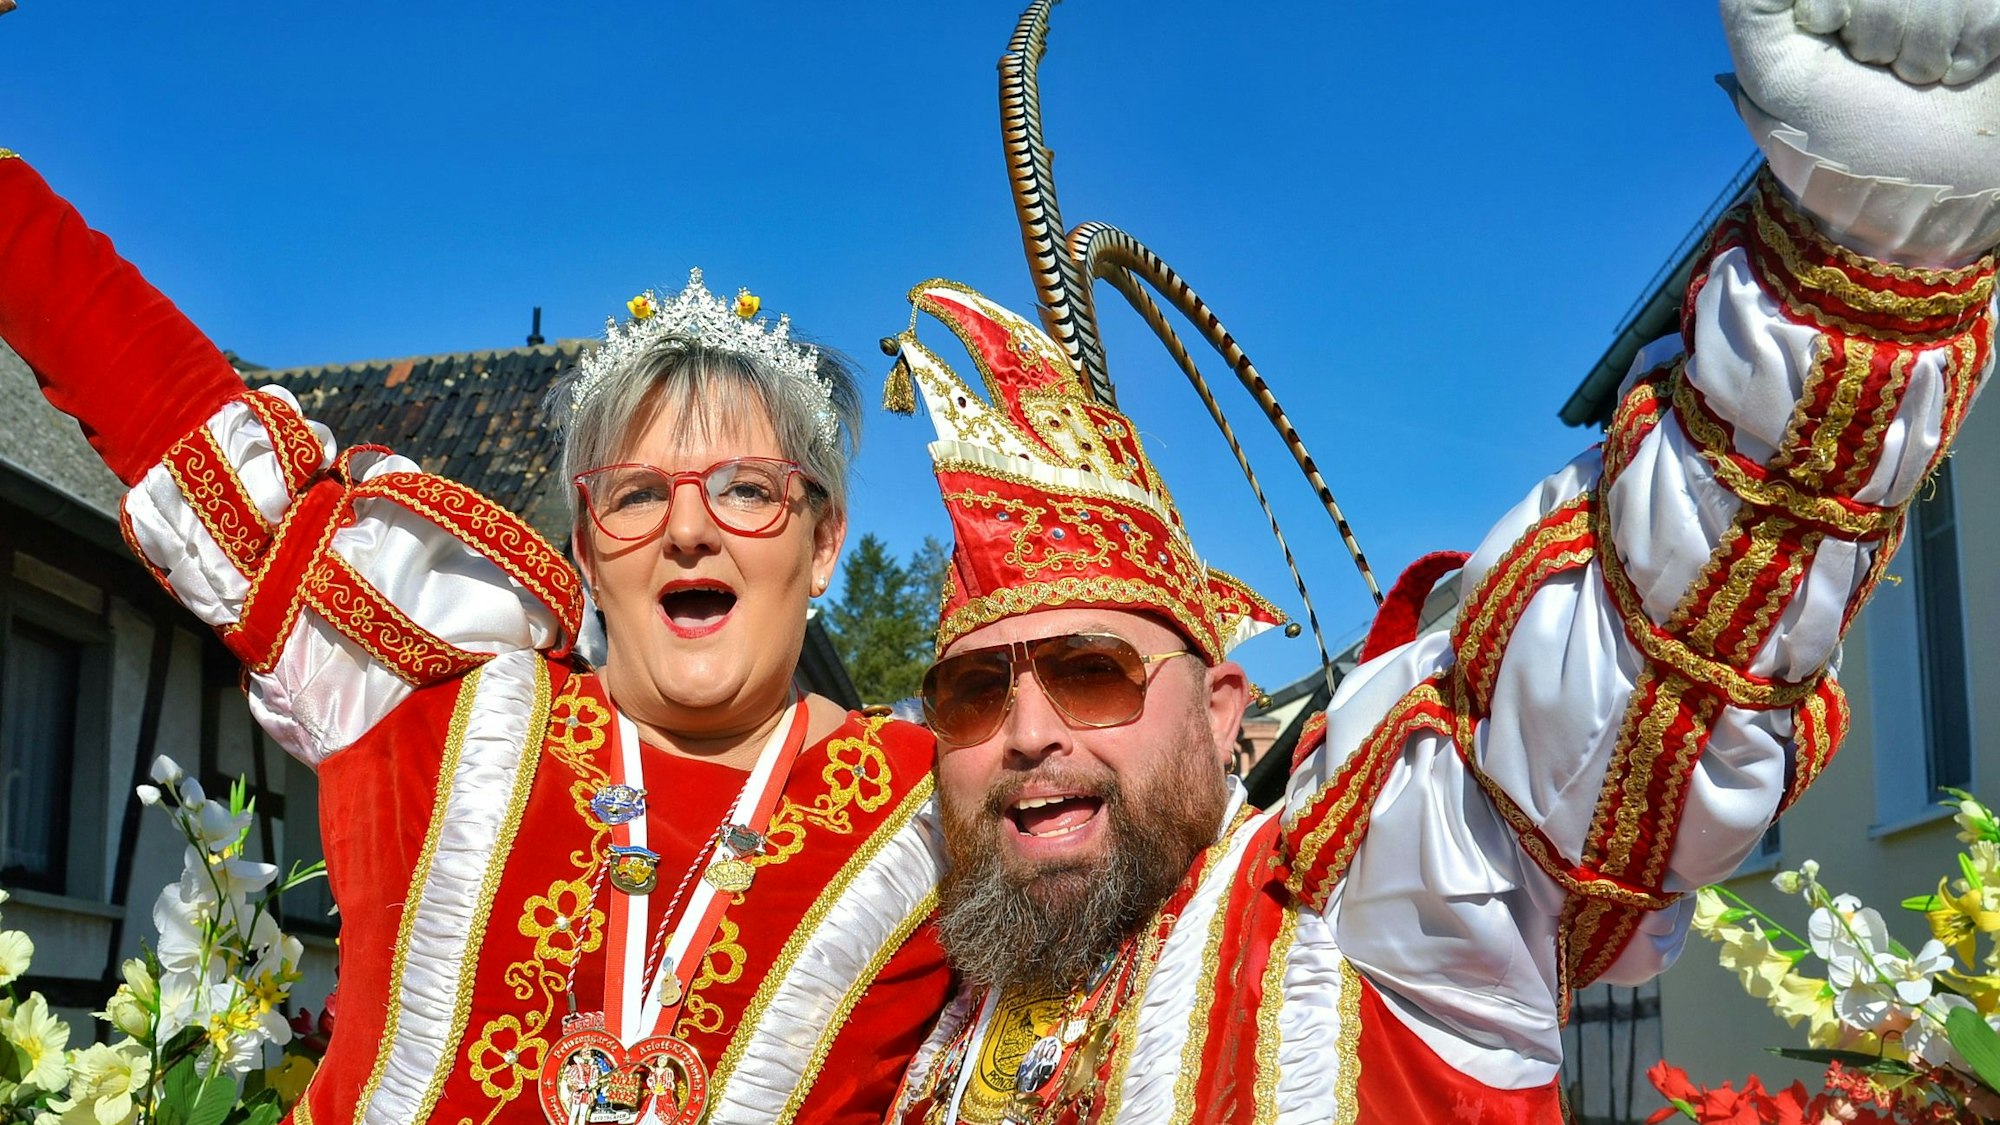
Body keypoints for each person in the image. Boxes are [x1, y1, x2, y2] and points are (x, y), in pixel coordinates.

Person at [879, 1, 2000, 1121]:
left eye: (1089, 672)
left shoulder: (1357, 905)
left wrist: (1879, 208)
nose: (1027, 732)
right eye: (974, 694)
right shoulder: (918, 1010)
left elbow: (1624, 672)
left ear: (1224, 707)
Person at [0, 176, 951, 1122]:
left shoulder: (946, 815)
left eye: (747, 489)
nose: (688, 529)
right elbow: (175, 418)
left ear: (823, 544)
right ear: (585, 547)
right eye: (635, 493)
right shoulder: (438, 707)